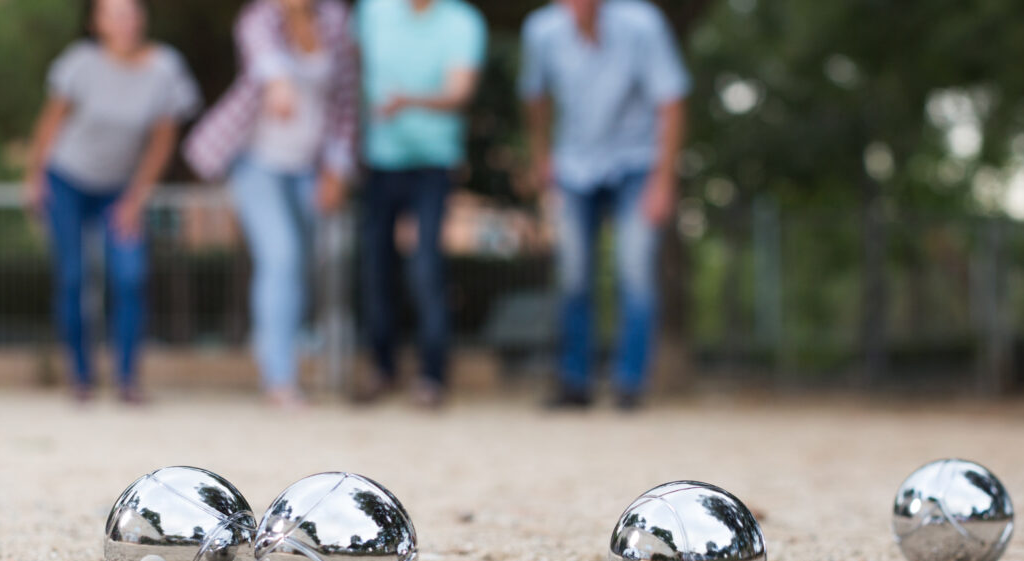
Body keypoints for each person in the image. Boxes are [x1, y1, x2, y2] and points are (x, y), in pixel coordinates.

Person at [24, 0, 201, 404]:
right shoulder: (79, 63)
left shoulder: (165, 69)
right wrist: (35, 177)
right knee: (73, 277)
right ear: (97, 23)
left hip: (121, 187)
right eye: (115, 14)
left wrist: (136, 198)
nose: (126, 22)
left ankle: (127, 379)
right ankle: (80, 377)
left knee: (130, 276)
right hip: (67, 180)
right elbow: (50, 122)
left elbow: (162, 142)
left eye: (132, 13)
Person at [184, 0, 358, 408]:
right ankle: (279, 379)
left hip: (309, 166)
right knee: (280, 257)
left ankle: (287, 354)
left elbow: (345, 103)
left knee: (305, 263)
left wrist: (338, 168)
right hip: (256, 162)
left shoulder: (336, 21)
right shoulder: (258, 18)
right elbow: (266, 63)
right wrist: (279, 83)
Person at [519, 0, 689, 411]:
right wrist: (542, 158)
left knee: (635, 272)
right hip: (574, 165)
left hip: (637, 163)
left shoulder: (643, 24)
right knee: (573, 276)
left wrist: (664, 180)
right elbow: (535, 96)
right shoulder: (541, 31)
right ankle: (575, 382)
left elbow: (671, 101)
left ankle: (630, 384)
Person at [353, 0, 487, 409]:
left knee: (426, 267)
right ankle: (383, 367)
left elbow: (461, 91)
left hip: (434, 161)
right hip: (379, 161)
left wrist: (408, 102)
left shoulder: (462, 22)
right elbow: (350, 73)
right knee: (375, 267)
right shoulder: (372, 12)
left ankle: (432, 375)